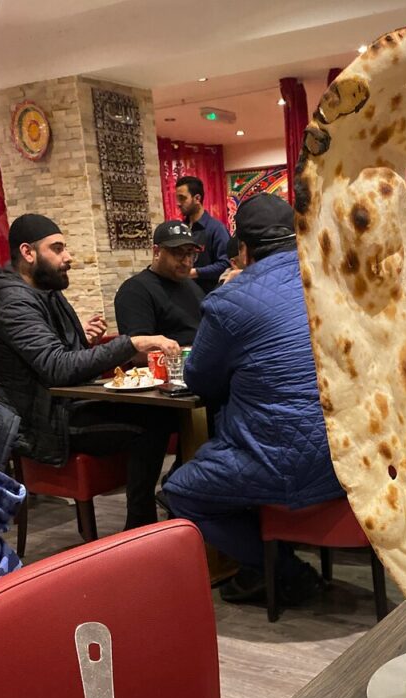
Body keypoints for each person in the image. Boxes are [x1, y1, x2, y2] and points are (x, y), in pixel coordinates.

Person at [163, 192, 344, 604]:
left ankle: (282, 569)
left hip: (283, 462)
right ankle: (266, 560)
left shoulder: (230, 301)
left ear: (242, 249)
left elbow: (199, 379)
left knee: (181, 489)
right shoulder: (332, 283)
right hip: (349, 454)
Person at [0, 213, 181, 530]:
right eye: (57, 248)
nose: (68, 256)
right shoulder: (11, 302)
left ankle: (165, 509)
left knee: (158, 411)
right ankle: (141, 527)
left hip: (60, 408)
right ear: (28, 253)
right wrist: (130, 343)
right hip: (39, 424)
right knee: (154, 422)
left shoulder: (45, 294)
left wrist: (84, 339)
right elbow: (57, 368)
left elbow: (62, 360)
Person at [114, 221, 204, 345]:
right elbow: (136, 352)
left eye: (190, 253)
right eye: (178, 253)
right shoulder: (134, 291)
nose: (187, 262)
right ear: (157, 252)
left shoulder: (193, 287)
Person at [175, 175, 230, 293]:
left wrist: (195, 272)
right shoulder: (180, 228)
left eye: (182, 198)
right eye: (177, 198)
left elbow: (226, 264)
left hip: (209, 297)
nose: (178, 203)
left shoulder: (216, 229)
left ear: (197, 198)